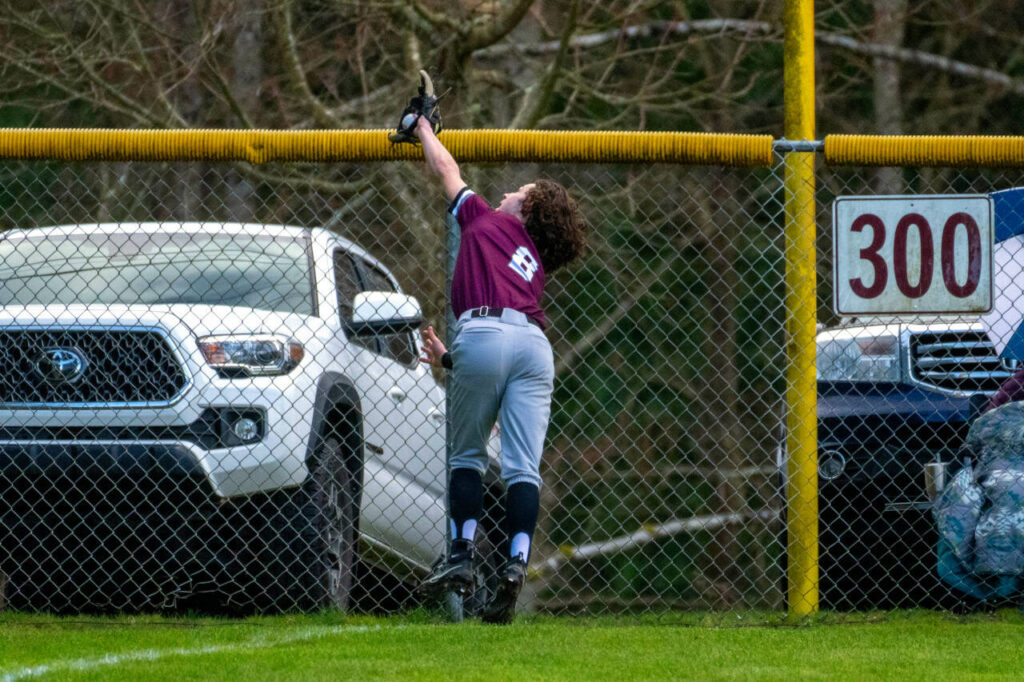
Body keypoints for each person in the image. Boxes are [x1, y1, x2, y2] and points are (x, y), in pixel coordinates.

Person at [411, 115, 587, 623]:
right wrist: (450, 360)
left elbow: (444, 166)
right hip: (534, 347)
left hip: (484, 334)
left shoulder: (485, 218)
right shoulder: (534, 256)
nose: (508, 192)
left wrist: (422, 126)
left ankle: (462, 559)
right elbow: (508, 343)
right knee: (521, 468)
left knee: (466, 457)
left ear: (524, 210)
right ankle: (514, 566)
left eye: (519, 191)